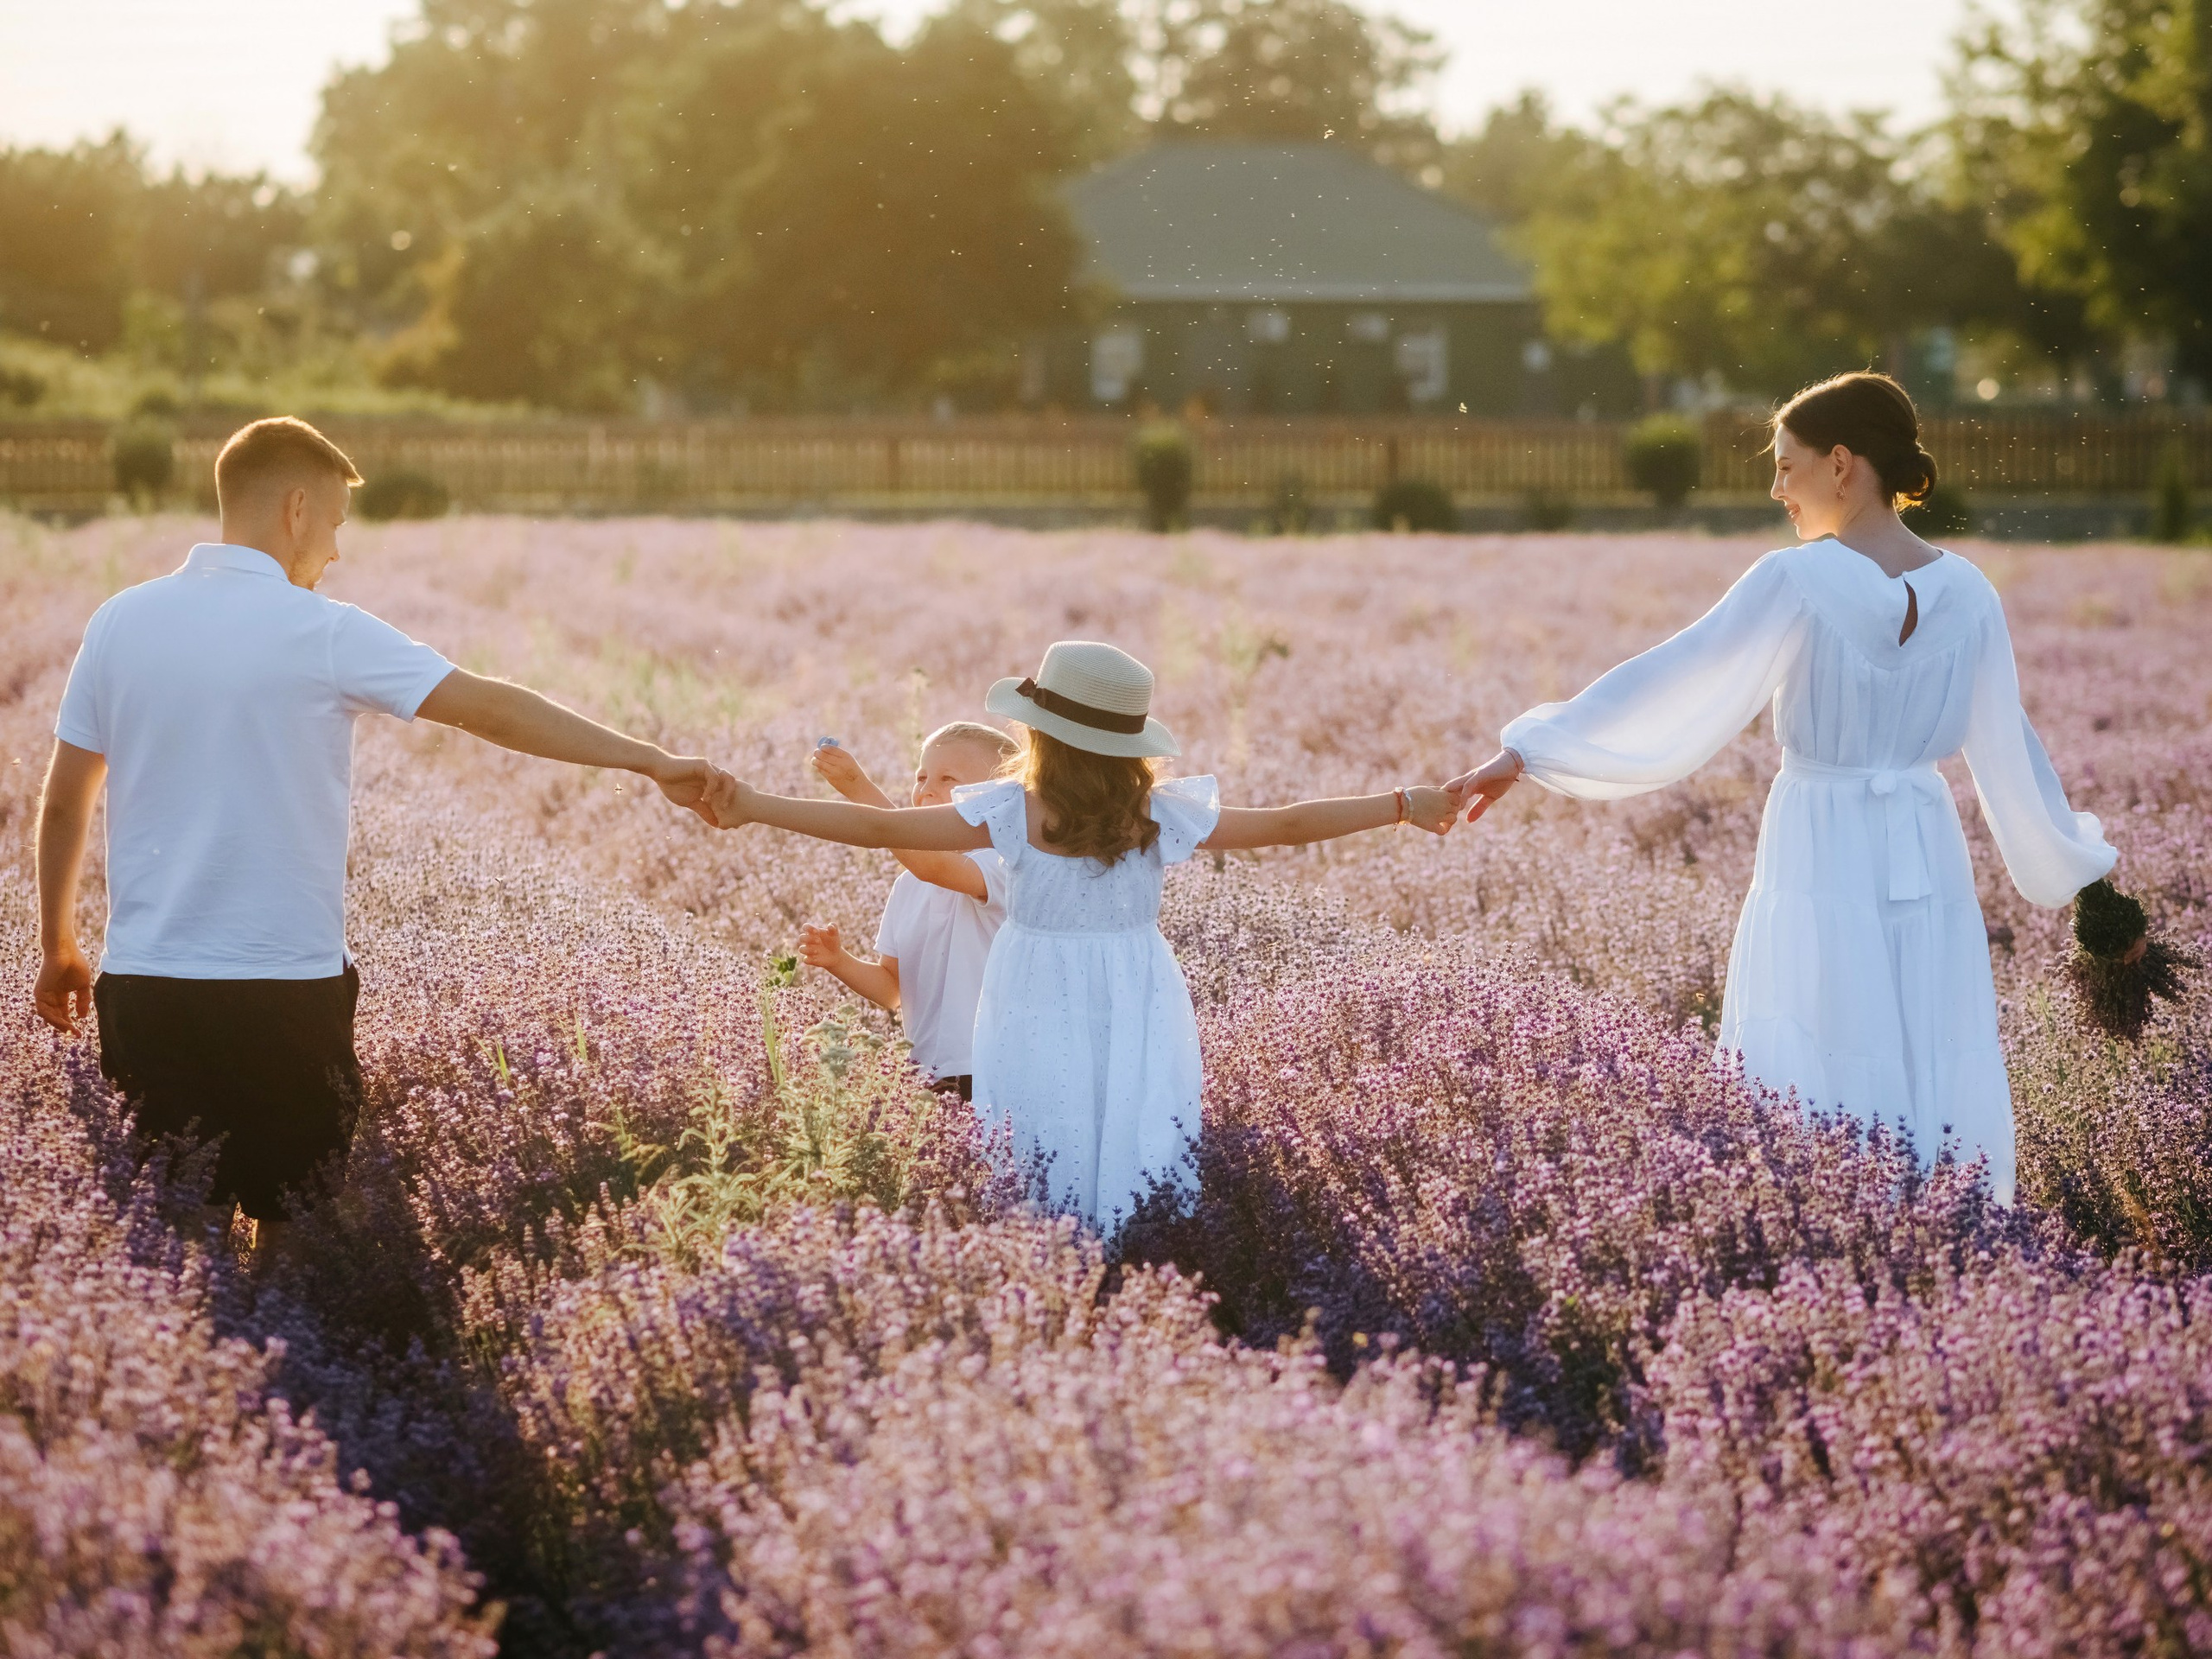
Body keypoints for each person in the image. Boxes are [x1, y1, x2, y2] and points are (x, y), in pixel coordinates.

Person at [34, 416, 721, 1237]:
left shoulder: (119, 622)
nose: (334, 551)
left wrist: (57, 946)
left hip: (148, 984)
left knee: (177, 1238)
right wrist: (646, 760)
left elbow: (67, 798)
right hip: (284, 987)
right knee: (291, 1231)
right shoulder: (323, 630)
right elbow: (493, 711)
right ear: (295, 509)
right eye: (333, 524)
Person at [1449, 372, 2115, 1202]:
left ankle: (1820, 1218)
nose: (1776, 488)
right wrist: (2082, 871)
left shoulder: (1795, 580)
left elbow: (1676, 677)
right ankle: (1946, 1223)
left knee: (1819, 1023)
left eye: (1786, 465)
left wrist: (1530, 749)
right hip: (1924, 844)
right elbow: (2010, 748)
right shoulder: (1970, 592)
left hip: (1820, 839)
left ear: (1841, 465)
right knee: (1922, 1029)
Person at [706, 640, 1459, 1227]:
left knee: (1039, 1137)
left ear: (1040, 736)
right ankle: (1139, 1259)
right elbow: (1292, 824)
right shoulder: (1157, 813)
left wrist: (753, 804)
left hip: (1031, 993)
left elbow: (878, 828)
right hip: (1134, 992)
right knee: (1129, 1126)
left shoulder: (1012, 810)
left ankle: (1049, 1269)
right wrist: (1400, 803)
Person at [796, 723, 1020, 1100]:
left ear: (998, 800)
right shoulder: (909, 884)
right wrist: (840, 961)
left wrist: (860, 792)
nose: (926, 788)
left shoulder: (1003, 865)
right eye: (921, 776)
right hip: (927, 1074)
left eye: (948, 778)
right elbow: (892, 990)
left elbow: (935, 867)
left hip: (991, 1067)